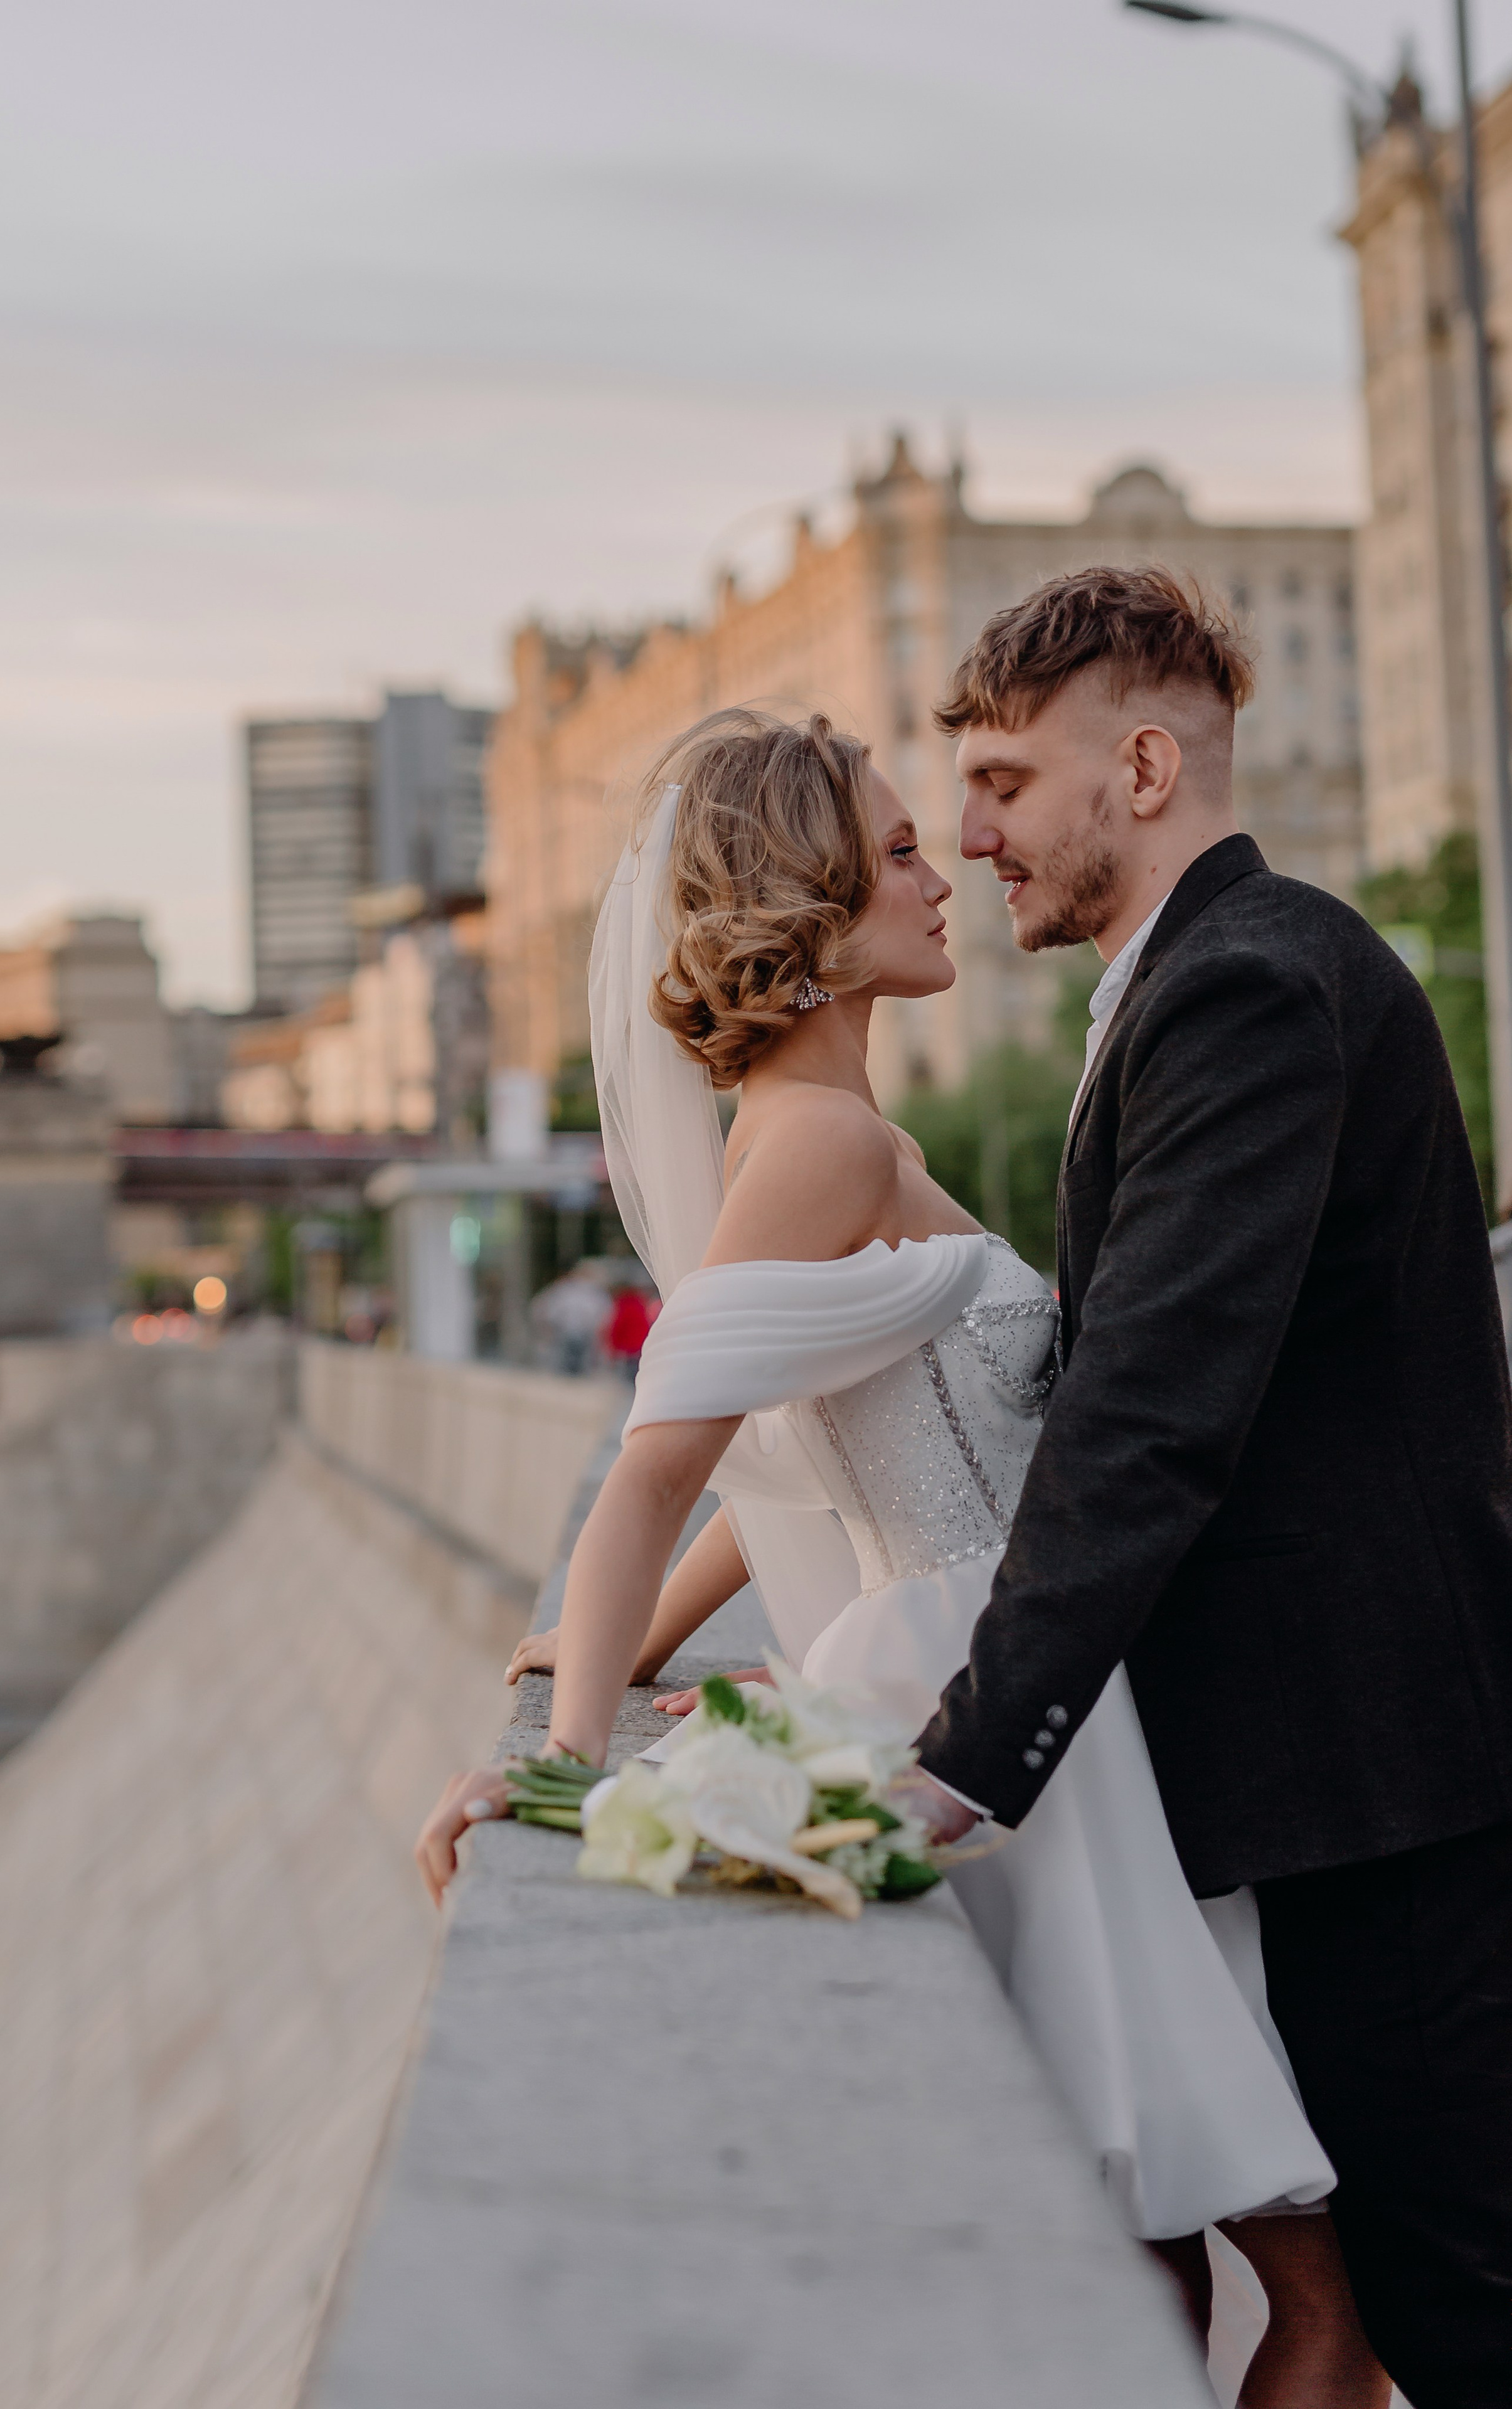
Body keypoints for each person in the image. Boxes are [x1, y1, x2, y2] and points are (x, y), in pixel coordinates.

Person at [417, 701, 1388, 2404]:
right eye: (901, 850)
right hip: (1025, 1717)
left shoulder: (812, 1141)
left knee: (1157, 2258)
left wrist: (648, 1648)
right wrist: (569, 1762)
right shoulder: (831, 1147)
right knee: (1313, 2287)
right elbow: (655, 1471)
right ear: (806, 900)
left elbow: (783, 1455)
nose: (949, 872)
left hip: (1015, 1681)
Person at [888, 563, 1512, 2408]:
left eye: (1006, 781)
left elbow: (1147, 1413)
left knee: (1463, 2299)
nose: (975, 829)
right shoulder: (1196, 983)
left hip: (1378, 1784)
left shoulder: (1246, 986)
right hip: (1335, 1778)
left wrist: (968, 1755)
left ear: (1143, 766)